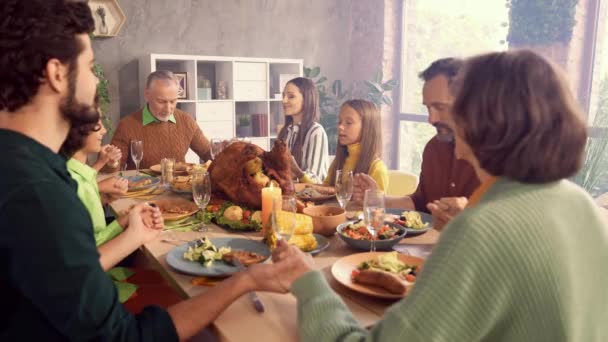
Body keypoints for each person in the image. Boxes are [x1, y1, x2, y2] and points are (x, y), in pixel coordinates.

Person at [251, 50, 608, 341]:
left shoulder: (481, 229)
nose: (443, 119)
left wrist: (307, 281)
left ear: (482, 119)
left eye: (457, 107)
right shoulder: (581, 205)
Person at [0, 1, 271, 340]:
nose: (95, 84)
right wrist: (245, 281)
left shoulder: (25, 169)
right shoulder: (39, 194)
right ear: (57, 74)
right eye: (89, 67)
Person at [352, 58, 479, 216]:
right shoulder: (434, 148)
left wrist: (470, 214)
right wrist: (376, 198)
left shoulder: (497, 156)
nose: (431, 119)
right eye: (428, 108)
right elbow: (420, 203)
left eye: (440, 107)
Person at [105, 70, 212, 171]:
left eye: (173, 101)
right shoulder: (127, 125)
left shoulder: (186, 120)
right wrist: (112, 163)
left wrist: (224, 151)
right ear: (147, 95)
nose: (168, 108)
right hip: (143, 188)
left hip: (179, 187)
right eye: (161, 101)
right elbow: (111, 168)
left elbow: (208, 153)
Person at [323, 99, 388, 190]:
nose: (340, 127)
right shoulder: (338, 161)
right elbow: (324, 190)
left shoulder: (377, 169)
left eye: (348, 123)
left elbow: (377, 203)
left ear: (366, 127)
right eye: (339, 122)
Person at [278, 77, 329, 182]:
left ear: (306, 99)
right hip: (291, 195)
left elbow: (316, 178)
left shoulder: (316, 131)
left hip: (312, 196)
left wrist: (296, 170)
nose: (284, 101)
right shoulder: (285, 131)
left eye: (291, 96)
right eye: (283, 96)